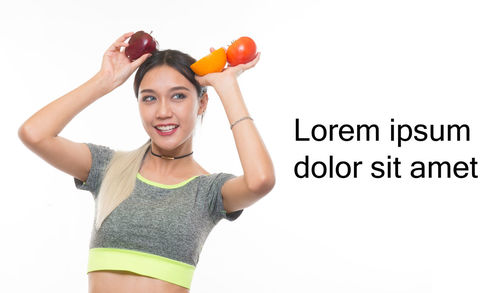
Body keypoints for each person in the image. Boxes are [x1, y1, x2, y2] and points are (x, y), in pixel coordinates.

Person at [18, 32, 275, 293]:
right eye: (149, 98)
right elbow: (34, 134)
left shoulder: (208, 192)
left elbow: (260, 180)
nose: (163, 112)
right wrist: (103, 81)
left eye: (178, 96)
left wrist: (227, 86)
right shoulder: (108, 167)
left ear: (202, 103)